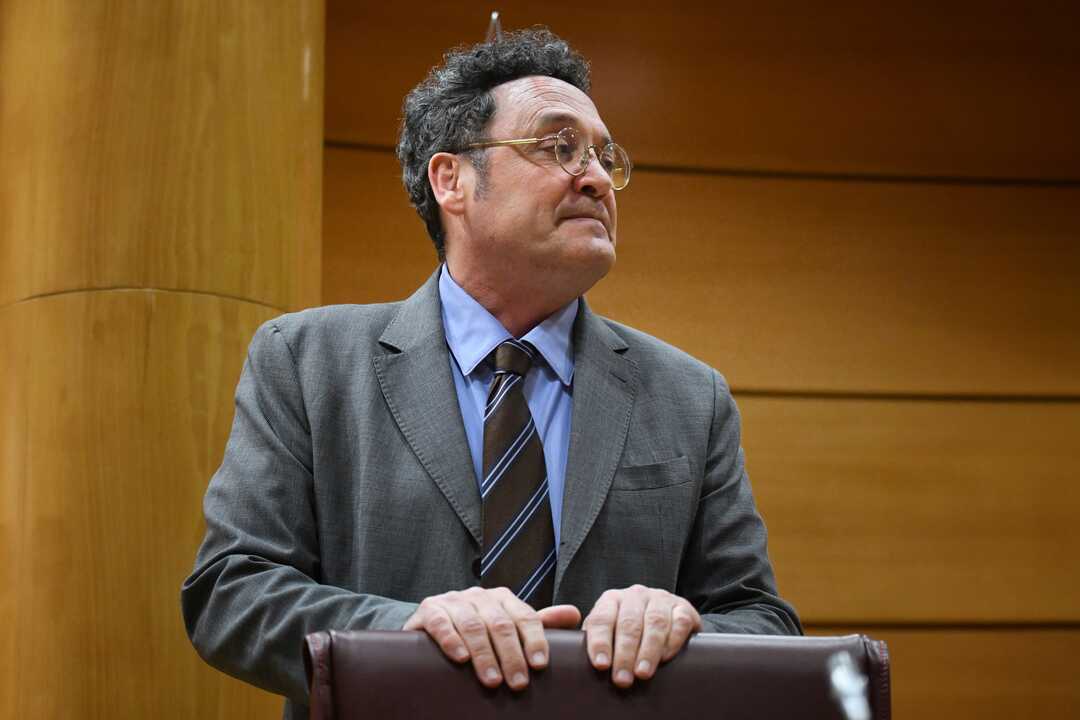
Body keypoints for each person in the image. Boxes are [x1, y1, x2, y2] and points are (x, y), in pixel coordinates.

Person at [181, 28, 800, 719]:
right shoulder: (306, 362)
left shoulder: (690, 396)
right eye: (558, 146)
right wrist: (403, 631)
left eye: (604, 156)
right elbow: (230, 592)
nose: (597, 178)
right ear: (451, 180)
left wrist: (685, 626)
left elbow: (763, 620)